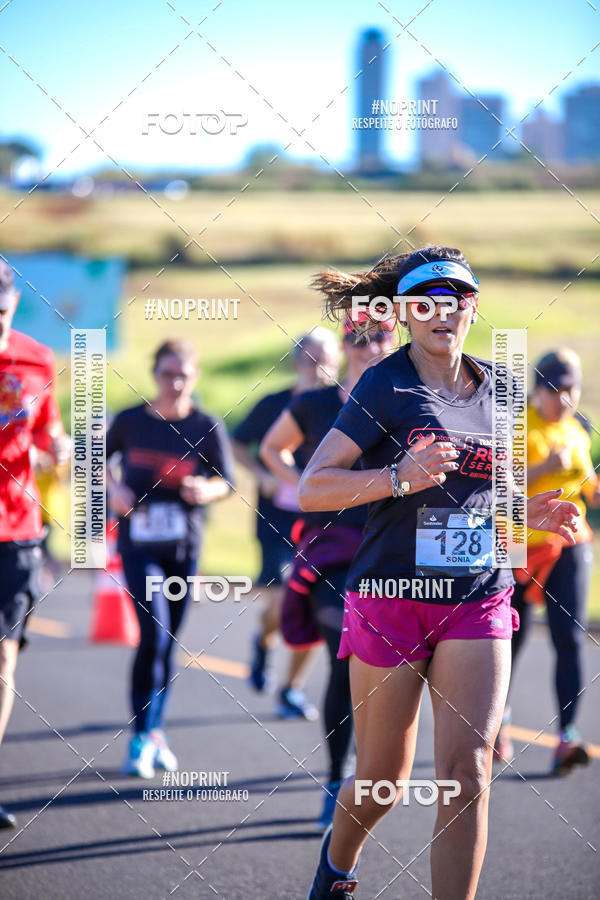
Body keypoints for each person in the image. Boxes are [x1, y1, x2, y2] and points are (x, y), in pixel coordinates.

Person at [299, 247, 581, 900]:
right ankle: (336, 864)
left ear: (471, 309)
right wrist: (398, 477)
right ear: (403, 313)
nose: (440, 312)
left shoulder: (504, 391)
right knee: (383, 782)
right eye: (424, 301)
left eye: (454, 299)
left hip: (477, 596)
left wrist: (533, 511)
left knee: (467, 770)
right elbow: (314, 486)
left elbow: (497, 494)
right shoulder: (385, 386)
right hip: (392, 594)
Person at [260, 316, 396, 829]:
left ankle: (371, 774)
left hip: (391, 552)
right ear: (344, 347)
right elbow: (272, 448)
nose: (369, 347)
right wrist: (303, 486)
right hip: (332, 553)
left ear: (394, 343)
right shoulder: (316, 404)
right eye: (358, 338)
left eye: (380, 336)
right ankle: (338, 782)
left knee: (380, 671)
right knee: (344, 656)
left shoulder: (405, 400)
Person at [106, 338, 233, 779]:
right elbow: (93, 461)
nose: (175, 382)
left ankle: (156, 732)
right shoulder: (130, 420)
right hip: (139, 545)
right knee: (154, 637)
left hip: (183, 547)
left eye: (183, 374)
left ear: (195, 376)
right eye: (167, 373)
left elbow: (226, 481)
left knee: (170, 642)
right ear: (154, 374)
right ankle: (140, 736)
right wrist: (112, 489)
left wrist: (207, 489)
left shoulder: (205, 425)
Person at [495, 348, 600, 772]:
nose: (565, 399)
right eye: (556, 390)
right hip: (520, 547)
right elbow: (500, 486)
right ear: (537, 391)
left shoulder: (579, 431)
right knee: (508, 642)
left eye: (571, 390)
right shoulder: (518, 427)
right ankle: (496, 721)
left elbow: (586, 486)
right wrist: (544, 468)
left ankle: (568, 735)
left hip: (571, 543)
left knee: (569, 638)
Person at [232, 329, 340, 720]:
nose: (320, 369)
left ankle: (291, 689)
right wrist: (262, 473)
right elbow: (237, 443)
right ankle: (263, 641)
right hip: (277, 518)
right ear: (297, 362)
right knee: (279, 603)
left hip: (322, 520)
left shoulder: (343, 404)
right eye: (312, 360)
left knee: (314, 602)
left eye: (327, 360)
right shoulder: (275, 403)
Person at [0, 259, 70, 827]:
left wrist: (60, 449)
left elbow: (48, 432)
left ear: (13, 304)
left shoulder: (37, 359)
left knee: (4, 656)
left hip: (18, 529)